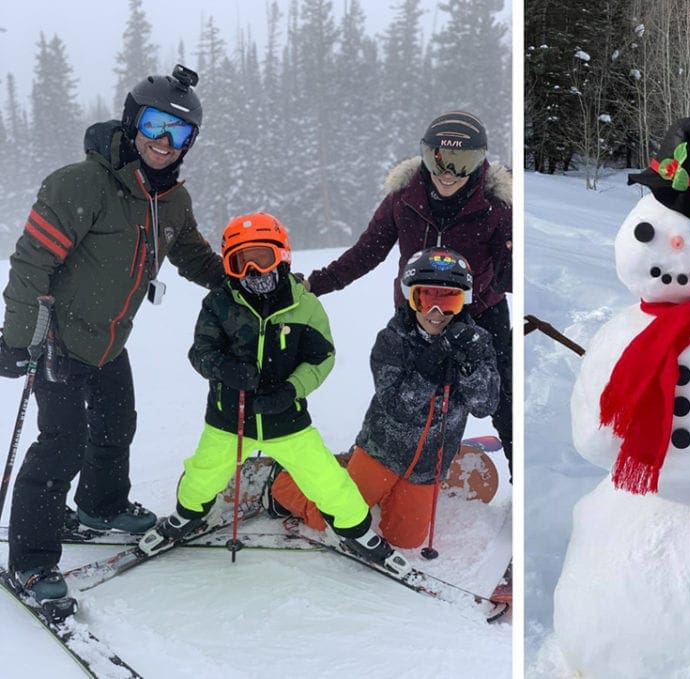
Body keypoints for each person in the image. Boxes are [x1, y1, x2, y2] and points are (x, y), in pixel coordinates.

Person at [0, 65, 226, 604]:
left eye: (178, 134)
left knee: (116, 423)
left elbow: (191, 254)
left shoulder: (171, 200)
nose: (163, 143)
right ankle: (31, 561)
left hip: (109, 339)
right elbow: (31, 263)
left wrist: (242, 282)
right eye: (154, 126)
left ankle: (100, 506)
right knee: (62, 444)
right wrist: (15, 337)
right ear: (131, 122)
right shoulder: (81, 184)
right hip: (59, 338)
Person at [138, 212, 405, 574]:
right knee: (203, 474)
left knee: (327, 480)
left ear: (282, 255)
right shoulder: (220, 303)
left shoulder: (303, 305)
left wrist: (291, 390)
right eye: (240, 262)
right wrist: (225, 369)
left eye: (261, 258)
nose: (253, 271)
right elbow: (200, 352)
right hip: (229, 418)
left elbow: (322, 357)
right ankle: (186, 517)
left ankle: (357, 531)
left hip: (287, 419)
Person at [305, 111, 513, 478]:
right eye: (439, 158)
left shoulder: (496, 207)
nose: (449, 173)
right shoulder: (404, 199)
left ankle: (514, 478)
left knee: (502, 401)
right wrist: (313, 285)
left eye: (463, 163)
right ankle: (373, 460)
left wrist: (510, 264)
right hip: (416, 314)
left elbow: (510, 272)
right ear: (425, 154)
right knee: (399, 397)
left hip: (479, 314)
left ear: (480, 162)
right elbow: (365, 253)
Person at [271, 247, 500, 549]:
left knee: (405, 541)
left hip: (428, 465)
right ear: (409, 297)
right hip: (381, 452)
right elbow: (398, 407)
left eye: (449, 301)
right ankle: (286, 481)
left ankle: (375, 488)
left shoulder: (475, 342)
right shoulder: (393, 340)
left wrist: (469, 367)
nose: (436, 313)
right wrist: (430, 364)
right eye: (425, 299)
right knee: (330, 521)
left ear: (463, 303)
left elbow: (485, 405)